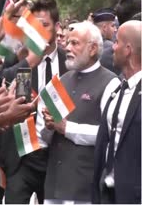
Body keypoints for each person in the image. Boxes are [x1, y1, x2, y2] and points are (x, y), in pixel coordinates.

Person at [0, 0, 68, 204]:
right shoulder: (22, 62)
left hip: (56, 159)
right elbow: (0, 79)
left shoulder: (69, 64)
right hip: (22, 157)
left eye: (45, 25)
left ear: (56, 27)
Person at [42, 21, 118, 204]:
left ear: (92, 49)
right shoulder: (61, 80)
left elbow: (108, 135)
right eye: (67, 42)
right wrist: (48, 124)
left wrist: (67, 128)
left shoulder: (110, 83)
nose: (67, 47)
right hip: (54, 184)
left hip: (84, 188)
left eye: (75, 43)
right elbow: (46, 134)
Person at [92, 20, 141, 204]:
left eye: (117, 41)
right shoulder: (115, 91)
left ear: (128, 50)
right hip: (107, 194)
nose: (113, 47)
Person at [92, 8, 120, 75]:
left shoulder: (88, 46)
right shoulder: (111, 47)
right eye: (113, 26)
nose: (115, 29)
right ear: (104, 28)